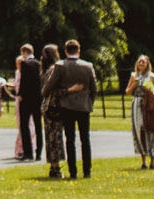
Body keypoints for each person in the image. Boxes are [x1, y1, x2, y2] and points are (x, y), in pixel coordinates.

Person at [44, 39, 97, 181]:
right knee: (85, 139)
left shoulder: (60, 66)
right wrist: (89, 101)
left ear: (66, 51)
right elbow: (94, 88)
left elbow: (47, 88)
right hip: (84, 107)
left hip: (66, 106)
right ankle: (87, 171)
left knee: (70, 140)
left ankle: (73, 171)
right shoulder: (88, 66)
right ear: (78, 51)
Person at [125, 54, 154, 168]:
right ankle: (143, 161)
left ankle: (153, 160)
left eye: (143, 62)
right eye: (139, 62)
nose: (141, 63)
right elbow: (127, 92)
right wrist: (134, 85)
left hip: (149, 105)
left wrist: (152, 92)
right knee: (139, 131)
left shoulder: (152, 76)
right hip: (136, 104)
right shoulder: (133, 76)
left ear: (147, 64)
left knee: (151, 129)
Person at [39, 42, 65, 179]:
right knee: (56, 137)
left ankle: (53, 166)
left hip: (46, 106)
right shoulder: (54, 69)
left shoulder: (44, 69)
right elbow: (52, 89)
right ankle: (56, 167)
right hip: (54, 106)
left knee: (50, 137)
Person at [15, 43, 43, 163]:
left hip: (26, 100)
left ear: (25, 52)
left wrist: (20, 94)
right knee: (38, 125)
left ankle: (28, 153)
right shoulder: (39, 64)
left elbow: (24, 82)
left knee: (24, 125)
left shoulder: (25, 64)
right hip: (37, 99)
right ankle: (39, 152)